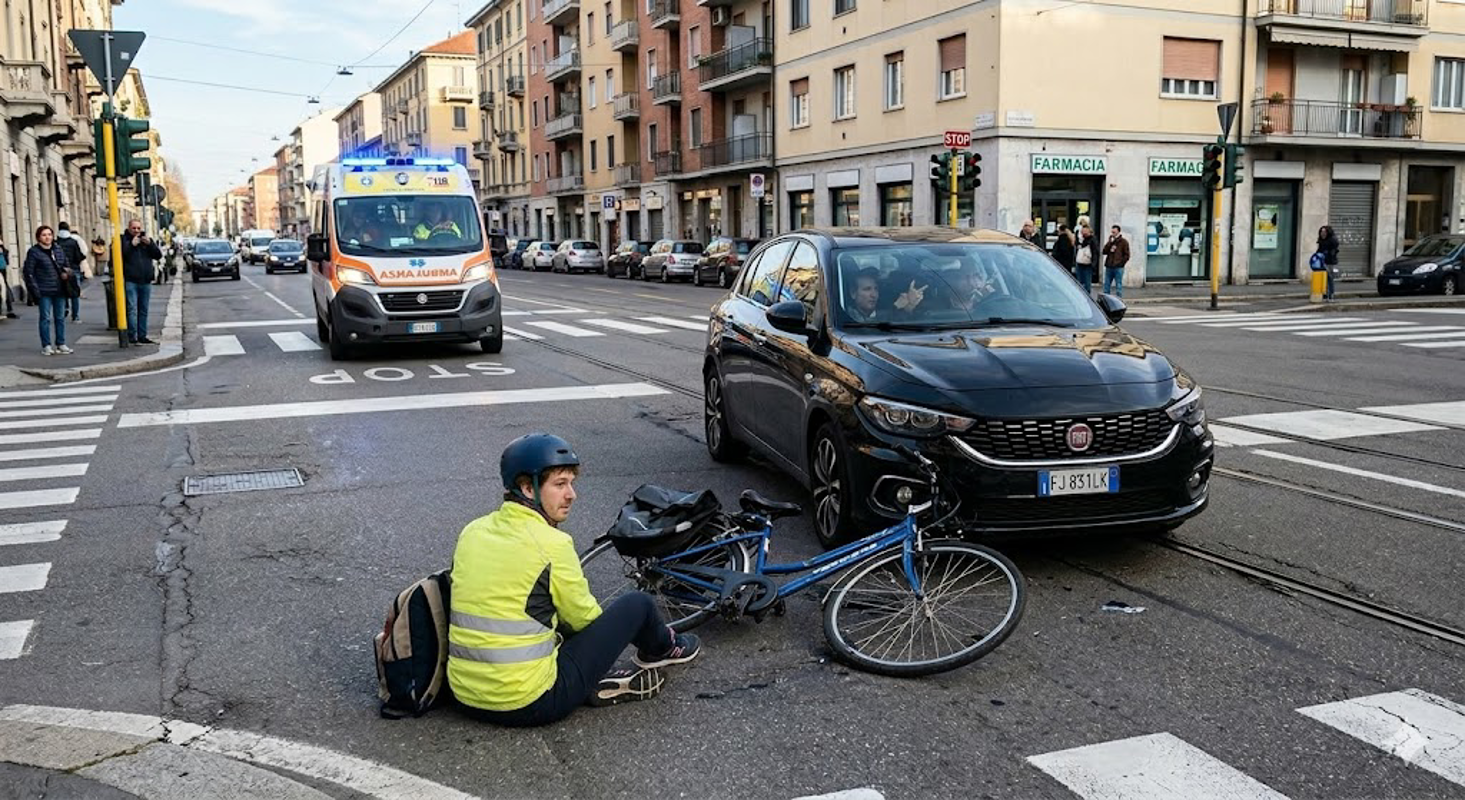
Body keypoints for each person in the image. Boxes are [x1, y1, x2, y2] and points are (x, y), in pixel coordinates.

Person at [449, 434, 703, 727]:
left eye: (571, 483)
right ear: (528, 488)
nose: (571, 495)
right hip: (529, 702)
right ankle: (667, 648)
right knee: (638, 604)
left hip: (464, 696)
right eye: (560, 484)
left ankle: (590, 678)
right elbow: (583, 620)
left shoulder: (472, 531)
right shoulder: (551, 543)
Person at [21, 226, 72, 356]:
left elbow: (66, 264)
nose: (47, 237)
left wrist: (66, 273)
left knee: (60, 317)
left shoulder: (58, 249)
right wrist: (35, 290)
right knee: (45, 318)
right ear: (38, 237)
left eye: (49, 234)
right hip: (44, 290)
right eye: (44, 235)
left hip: (59, 289)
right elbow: (29, 272)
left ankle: (61, 343)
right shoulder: (34, 252)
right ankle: (46, 345)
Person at [120, 219, 162, 345]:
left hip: (145, 280)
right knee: (132, 309)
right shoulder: (123, 240)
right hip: (131, 280)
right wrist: (131, 245)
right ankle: (132, 336)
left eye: (138, 228)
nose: (136, 231)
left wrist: (150, 244)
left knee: (143, 309)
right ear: (129, 228)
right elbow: (121, 255)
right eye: (134, 228)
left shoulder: (146, 241)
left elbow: (158, 255)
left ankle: (142, 335)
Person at [56, 222, 86, 322]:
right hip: (73, 269)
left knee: (62, 292)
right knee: (75, 293)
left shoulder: (56, 243)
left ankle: (64, 310)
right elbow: (78, 256)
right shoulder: (73, 242)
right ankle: (75, 316)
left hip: (60, 270)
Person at [1101, 225, 1131, 298]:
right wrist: (1110, 243)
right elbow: (1104, 251)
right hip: (1109, 265)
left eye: (1114, 231)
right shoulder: (1110, 241)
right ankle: (1106, 298)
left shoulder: (1123, 242)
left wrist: (1121, 263)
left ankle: (1119, 298)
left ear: (1118, 231)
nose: (1112, 233)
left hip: (1118, 267)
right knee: (1107, 284)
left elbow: (1127, 255)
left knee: (1118, 284)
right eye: (1112, 231)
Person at [1074, 224, 1100, 295]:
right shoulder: (1080, 239)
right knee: (1079, 281)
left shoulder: (1092, 239)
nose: (1083, 233)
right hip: (1079, 262)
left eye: (1085, 231)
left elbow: (1095, 252)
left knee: (1087, 282)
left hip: (1088, 263)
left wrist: (1093, 264)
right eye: (1082, 231)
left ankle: (1086, 295)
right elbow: (1077, 246)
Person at [1317, 225, 1340, 301]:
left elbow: (1334, 250)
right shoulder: (1321, 240)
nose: (1322, 233)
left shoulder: (1332, 240)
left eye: (1324, 232)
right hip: (1323, 261)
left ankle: (1330, 295)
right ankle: (1326, 294)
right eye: (1321, 231)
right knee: (1325, 278)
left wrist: (1329, 254)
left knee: (1329, 278)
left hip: (1330, 262)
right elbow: (1319, 250)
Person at [0, 238, 15, 319]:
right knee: (5, 287)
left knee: (4, 288)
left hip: (2, 270)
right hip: (3, 270)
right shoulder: (5, 250)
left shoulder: (3, 251)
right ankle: (9, 308)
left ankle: (7, 308)